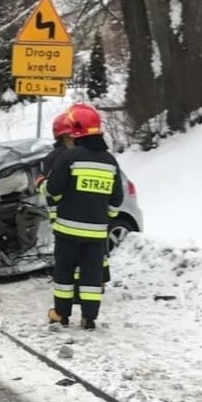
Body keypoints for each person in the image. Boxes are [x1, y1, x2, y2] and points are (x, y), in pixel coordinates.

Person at [44, 104, 123, 330]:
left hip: (68, 230)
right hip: (97, 233)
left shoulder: (70, 157)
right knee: (91, 276)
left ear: (76, 130)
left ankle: (61, 314)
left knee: (65, 273)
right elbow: (116, 200)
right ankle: (89, 318)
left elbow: (54, 190)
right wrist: (103, 217)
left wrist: (44, 187)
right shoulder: (110, 161)